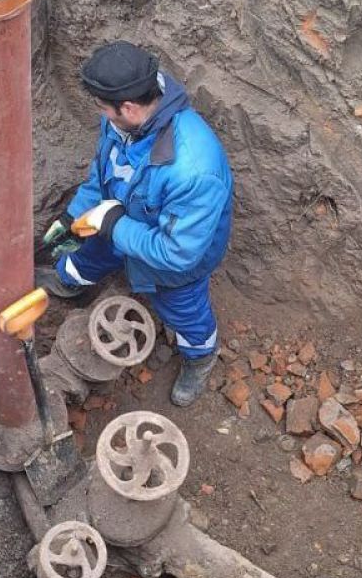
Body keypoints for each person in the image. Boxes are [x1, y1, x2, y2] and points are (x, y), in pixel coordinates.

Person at [37, 41, 234, 406]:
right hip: (118, 218)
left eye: (102, 106)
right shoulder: (123, 121)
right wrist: (74, 216)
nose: (100, 113)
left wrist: (114, 225)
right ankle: (69, 281)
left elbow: (178, 253)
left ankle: (200, 357)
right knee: (84, 255)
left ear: (128, 107)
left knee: (184, 312)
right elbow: (102, 174)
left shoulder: (193, 169)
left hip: (173, 259)